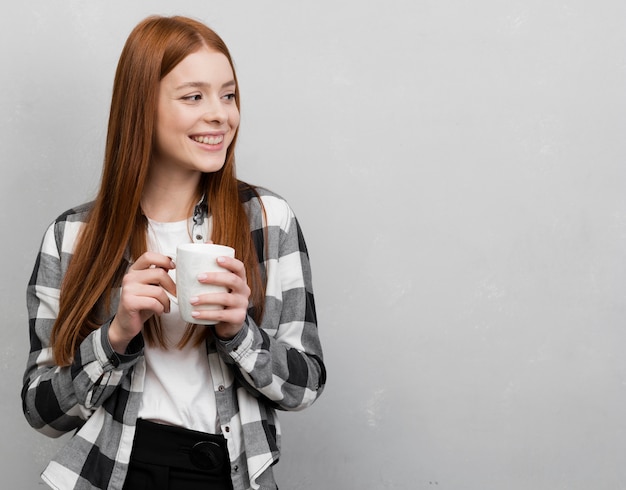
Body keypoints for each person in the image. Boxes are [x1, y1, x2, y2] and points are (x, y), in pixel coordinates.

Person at [21, 15, 326, 490]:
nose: (220, 114)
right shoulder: (73, 236)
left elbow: (305, 386)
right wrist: (116, 335)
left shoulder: (267, 219)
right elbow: (42, 412)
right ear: (141, 108)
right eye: (194, 96)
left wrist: (237, 331)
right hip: (114, 471)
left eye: (228, 95)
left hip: (225, 471)